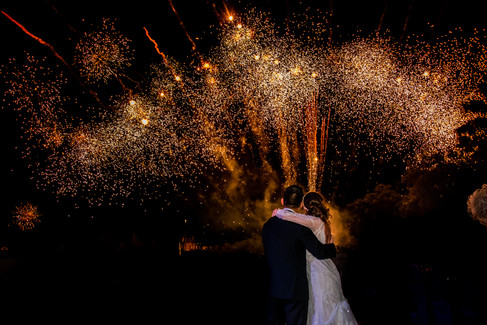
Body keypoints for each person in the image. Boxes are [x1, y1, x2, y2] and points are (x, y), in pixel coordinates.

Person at [274, 191, 358, 325]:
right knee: (327, 307)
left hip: (317, 271)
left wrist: (278, 212)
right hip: (328, 268)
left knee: (321, 309)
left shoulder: (313, 221)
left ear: (305, 206)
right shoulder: (323, 222)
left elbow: (292, 217)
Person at [262, 185, 337, 325]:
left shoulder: (267, 225)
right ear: (301, 204)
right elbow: (319, 252)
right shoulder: (301, 228)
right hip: (295, 290)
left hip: (272, 288)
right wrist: (333, 248)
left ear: (282, 201)